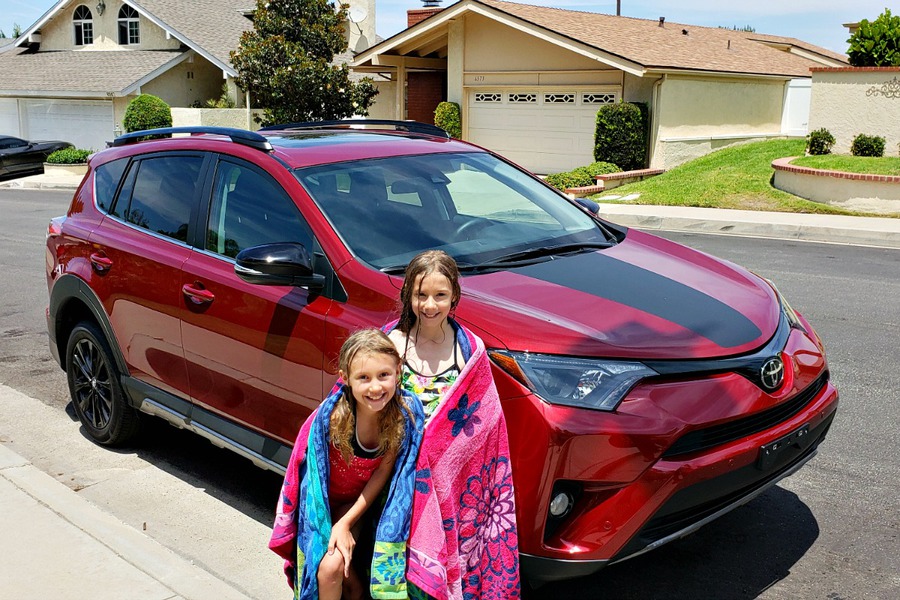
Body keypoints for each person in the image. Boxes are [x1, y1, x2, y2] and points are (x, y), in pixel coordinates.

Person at [388, 250, 521, 600]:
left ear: (454, 297)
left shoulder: (470, 351)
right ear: (407, 295)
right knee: (402, 580)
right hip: (398, 485)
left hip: (457, 491)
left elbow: (488, 428)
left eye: (440, 295)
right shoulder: (390, 346)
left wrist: (441, 457)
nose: (429, 305)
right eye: (420, 295)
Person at [269, 328, 425, 600]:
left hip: (362, 507)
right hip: (321, 509)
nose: (375, 387)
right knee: (334, 572)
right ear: (345, 379)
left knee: (341, 573)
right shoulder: (333, 420)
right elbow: (313, 481)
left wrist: (346, 523)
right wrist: (332, 524)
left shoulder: (401, 418)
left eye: (383, 375)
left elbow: (383, 474)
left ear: (398, 372)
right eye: (363, 377)